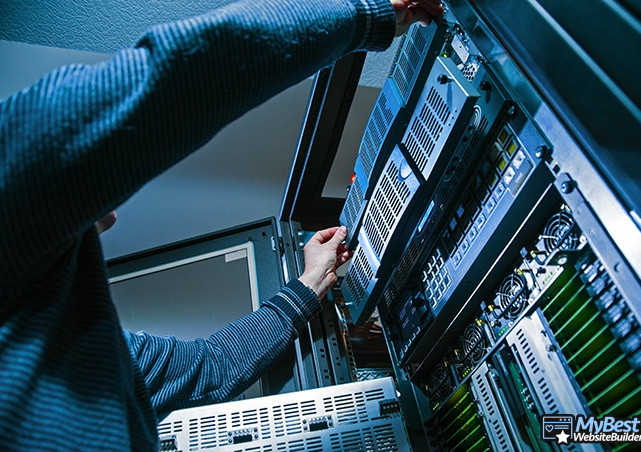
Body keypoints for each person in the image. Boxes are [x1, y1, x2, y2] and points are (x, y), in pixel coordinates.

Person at [0, 0, 443, 449]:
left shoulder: (105, 352)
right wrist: (366, 16)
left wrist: (310, 282)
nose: (112, 214)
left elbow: (211, 367)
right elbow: (185, 75)